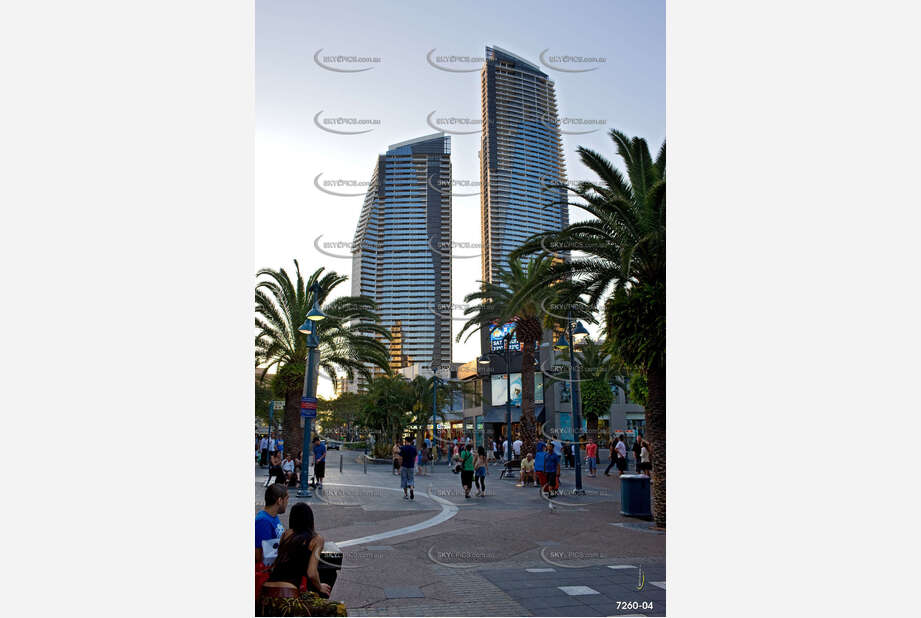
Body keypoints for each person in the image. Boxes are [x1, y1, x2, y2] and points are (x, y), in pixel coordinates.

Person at [258, 502, 346, 617]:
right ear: (310, 519)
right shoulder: (317, 539)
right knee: (338, 609)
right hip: (288, 599)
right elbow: (311, 573)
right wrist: (320, 587)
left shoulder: (286, 534)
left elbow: (277, 564)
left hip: (266, 596)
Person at [256, 484, 289, 565]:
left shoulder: (273, 516)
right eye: (287, 499)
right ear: (280, 500)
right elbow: (258, 555)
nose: (287, 503)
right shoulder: (263, 521)